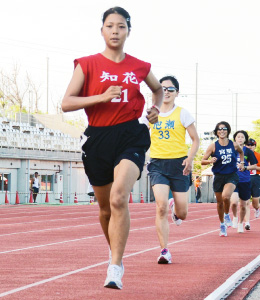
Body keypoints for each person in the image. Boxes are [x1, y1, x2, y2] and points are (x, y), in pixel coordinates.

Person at [61, 7, 163, 290]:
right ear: (102, 30)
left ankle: (115, 266)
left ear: (129, 30)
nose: (115, 31)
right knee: (105, 209)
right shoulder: (87, 64)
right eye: (110, 26)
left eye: (121, 26)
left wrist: (154, 109)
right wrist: (101, 97)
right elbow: (66, 102)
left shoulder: (140, 66)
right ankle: (114, 251)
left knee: (119, 198)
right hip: (97, 138)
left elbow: (157, 90)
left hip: (131, 134)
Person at [146, 75, 199, 264]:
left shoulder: (183, 113)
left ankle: (174, 208)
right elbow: (140, 136)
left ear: (177, 93)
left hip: (179, 165)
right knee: (159, 206)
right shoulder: (151, 113)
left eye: (170, 89)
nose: (166, 92)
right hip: (157, 164)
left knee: (183, 214)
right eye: (163, 89)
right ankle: (164, 251)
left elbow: (195, 139)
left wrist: (190, 158)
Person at [201, 121, 244, 237]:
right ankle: (222, 225)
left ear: (228, 131)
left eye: (224, 129)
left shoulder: (234, 145)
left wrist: (242, 163)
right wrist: (210, 161)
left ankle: (226, 215)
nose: (222, 131)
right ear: (216, 132)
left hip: (231, 175)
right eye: (219, 129)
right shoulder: (213, 146)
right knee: (219, 203)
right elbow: (202, 161)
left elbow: (241, 153)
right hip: (218, 176)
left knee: (226, 196)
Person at [230, 133, 257, 232]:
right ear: (235, 139)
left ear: (245, 139)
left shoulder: (248, 152)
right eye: (238, 137)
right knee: (233, 202)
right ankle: (235, 217)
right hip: (232, 179)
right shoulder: (231, 150)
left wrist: (245, 167)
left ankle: (241, 223)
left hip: (245, 180)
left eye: (242, 137)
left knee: (243, 204)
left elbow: (254, 166)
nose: (240, 139)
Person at [245, 138, 260, 222]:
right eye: (248, 145)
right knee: (245, 201)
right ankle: (246, 222)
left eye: (252, 145)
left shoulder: (258, 155)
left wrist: (253, 167)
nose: (250, 146)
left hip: (255, 177)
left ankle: (257, 208)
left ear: (255, 146)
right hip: (244, 178)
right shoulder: (241, 154)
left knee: (255, 202)